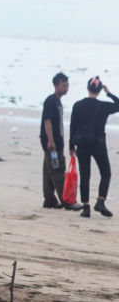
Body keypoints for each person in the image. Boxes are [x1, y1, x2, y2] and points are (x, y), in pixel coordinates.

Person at [69, 76, 119, 218]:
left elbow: (73, 126)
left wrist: (71, 146)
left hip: (82, 143)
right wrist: (108, 93)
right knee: (106, 173)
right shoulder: (103, 106)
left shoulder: (78, 105)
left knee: (85, 176)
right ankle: (100, 201)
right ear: (99, 90)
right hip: (98, 143)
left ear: (87, 88)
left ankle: (86, 208)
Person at [41, 72, 73, 209]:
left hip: (55, 141)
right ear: (56, 85)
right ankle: (67, 201)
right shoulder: (51, 101)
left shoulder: (57, 101)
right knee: (58, 170)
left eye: (67, 85)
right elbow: (47, 121)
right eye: (64, 85)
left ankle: (49, 200)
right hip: (52, 142)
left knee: (48, 170)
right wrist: (51, 140)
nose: (66, 88)